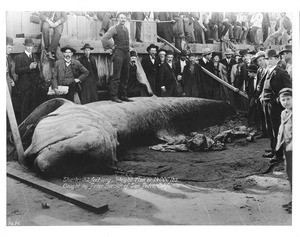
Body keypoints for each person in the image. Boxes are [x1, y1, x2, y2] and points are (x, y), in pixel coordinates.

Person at [260, 49, 292, 163]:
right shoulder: (268, 71)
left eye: (271, 58)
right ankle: (273, 149)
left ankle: (278, 155)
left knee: (276, 129)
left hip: (275, 105)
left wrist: (278, 100)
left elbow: (288, 89)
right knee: (269, 128)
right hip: (266, 103)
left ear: (277, 59)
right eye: (267, 59)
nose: (269, 61)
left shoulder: (281, 72)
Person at [101, 12, 133, 103]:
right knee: (116, 76)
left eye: (124, 18)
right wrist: (112, 46)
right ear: (117, 19)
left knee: (125, 76)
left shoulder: (126, 29)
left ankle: (123, 96)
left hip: (126, 54)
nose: (123, 19)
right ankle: (114, 96)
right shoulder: (114, 29)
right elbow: (104, 38)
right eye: (121, 18)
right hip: (118, 53)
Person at [15, 38, 41, 121]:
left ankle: (31, 125)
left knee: (33, 106)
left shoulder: (35, 56)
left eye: (31, 46)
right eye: (28, 46)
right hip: (24, 86)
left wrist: (37, 77)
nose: (30, 48)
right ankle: (23, 126)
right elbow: (17, 71)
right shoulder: (19, 57)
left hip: (33, 85)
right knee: (24, 107)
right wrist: (29, 67)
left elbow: (37, 71)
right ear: (25, 46)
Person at [276, 88, 292, 214]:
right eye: (283, 99)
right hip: (287, 147)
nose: (286, 102)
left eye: (288, 99)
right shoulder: (283, 113)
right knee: (290, 173)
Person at [253, 51, 268, 139]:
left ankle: (269, 133)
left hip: (266, 96)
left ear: (265, 59)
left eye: (261, 60)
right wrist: (256, 96)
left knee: (267, 116)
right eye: (258, 61)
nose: (259, 63)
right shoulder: (259, 70)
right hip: (259, 96)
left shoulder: (269, 70)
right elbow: (258, 84)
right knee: (261, 115)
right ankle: (264, 132)